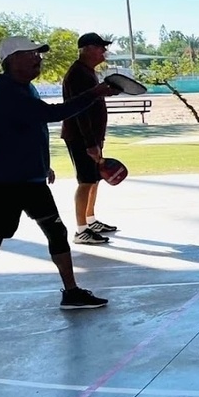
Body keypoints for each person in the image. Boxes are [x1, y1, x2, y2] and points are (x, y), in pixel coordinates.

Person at [0, 36, 120, 334]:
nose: (38, 59)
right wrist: (94, 93)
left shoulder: (25, 87)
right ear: (11, 59)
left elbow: (32, 129)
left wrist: (44, 165)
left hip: (31, 180)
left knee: (56, 231)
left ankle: (71, 292)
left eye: (38, 55)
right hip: (0, 183)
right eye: (31, 54)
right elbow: (49, 114)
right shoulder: (4, 90)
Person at [61, 32, 117, 245]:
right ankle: (81, 230)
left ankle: (91, 220)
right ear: (86, 49)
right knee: (85, 181)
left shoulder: (87, 72)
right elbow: (79, 111)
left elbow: (91, 99)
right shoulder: (78, 74)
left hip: (92, 136)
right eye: (100, 47)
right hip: (81, 137)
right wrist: (90, 143)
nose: (104, 51)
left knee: (94, 178)